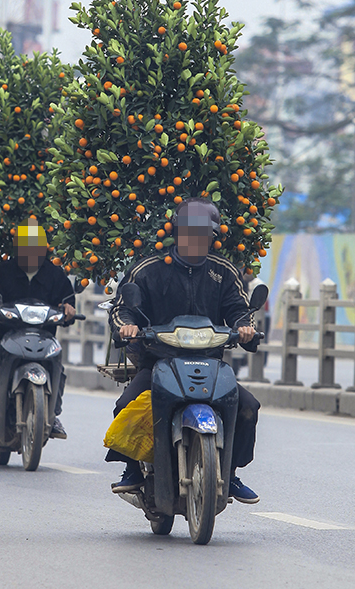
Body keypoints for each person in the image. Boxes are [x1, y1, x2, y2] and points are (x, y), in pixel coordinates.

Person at [107, 198, 262, 504]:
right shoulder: (150, 270)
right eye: (189, 234)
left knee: (248, 408)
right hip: (159, 363)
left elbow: (240, 311)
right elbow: (123, 310)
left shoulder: (224, 272)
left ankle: (229, 473)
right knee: (126, 405)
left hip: (211, 365)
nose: (195, 241)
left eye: (203, 235)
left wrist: (245, 328)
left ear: (212, 238)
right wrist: (127, 326)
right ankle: (132, 469)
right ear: (176, 234)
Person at [0, 218, 76, 438]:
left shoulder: (56, 275)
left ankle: (52, 415)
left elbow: (69, 304)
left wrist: (69, 310)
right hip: (4, 336)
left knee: (58, 368)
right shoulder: (0, 272)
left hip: (44, 338)